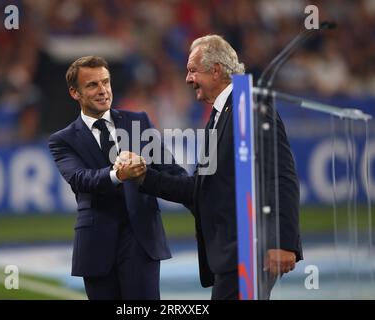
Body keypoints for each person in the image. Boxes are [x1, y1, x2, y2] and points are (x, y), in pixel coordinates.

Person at [116, 35, 303, 300]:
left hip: (250, 253)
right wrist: (144, 176)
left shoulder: (248, 106)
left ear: (216, 71)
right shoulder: (220, 114)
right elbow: (200, 188)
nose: (187, 79)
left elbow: (281, 175)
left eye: (192, 70)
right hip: (231, 255)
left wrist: (283, 242)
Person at [48, 56, 186, 300]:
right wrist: (118, 174)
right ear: (74, 93)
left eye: (106, 82)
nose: (102, 90)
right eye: (92, 85)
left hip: (142, 240)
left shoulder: (138, 121)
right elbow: (80, 179)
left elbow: (171, 171)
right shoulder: (63, 139)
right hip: (96, 246)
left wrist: (201, 209)